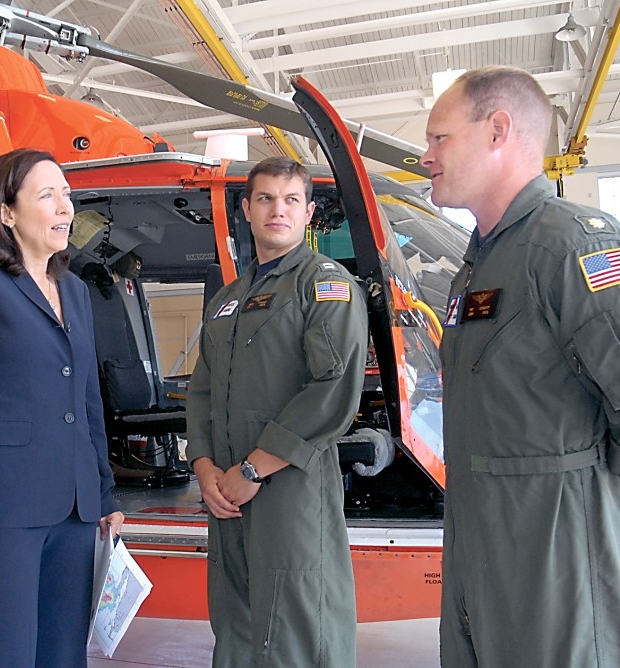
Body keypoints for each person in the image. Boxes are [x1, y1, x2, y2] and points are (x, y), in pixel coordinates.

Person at [423, 66, 620, 667]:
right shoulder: (478, 266)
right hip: (483, 555)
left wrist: (613, 490)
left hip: (562, 572)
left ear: (498, 131)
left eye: (439, 138)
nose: (426, 156)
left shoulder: (574, 244)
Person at [0, 148, 124, 667]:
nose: (65, 207)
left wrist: (103, 492)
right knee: (8, 656)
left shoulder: (75, 291)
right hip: (5, 513)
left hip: (75, 511)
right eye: (47, 195)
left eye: (66, 194)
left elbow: (87, 401)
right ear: (7, 212)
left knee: (64, 656)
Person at [186, 157, 368, 668]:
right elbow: (201, 392)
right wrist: (205, 469)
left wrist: (252, 469)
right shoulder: (228, 299)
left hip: (289, 488)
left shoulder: (323, 284)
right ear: (246, 209)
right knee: (236, 623)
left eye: (291, 200)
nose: (277, 210)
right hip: (226, 492)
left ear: (308, 213)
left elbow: (333, 387)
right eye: (265, 199)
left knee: (297, 624)